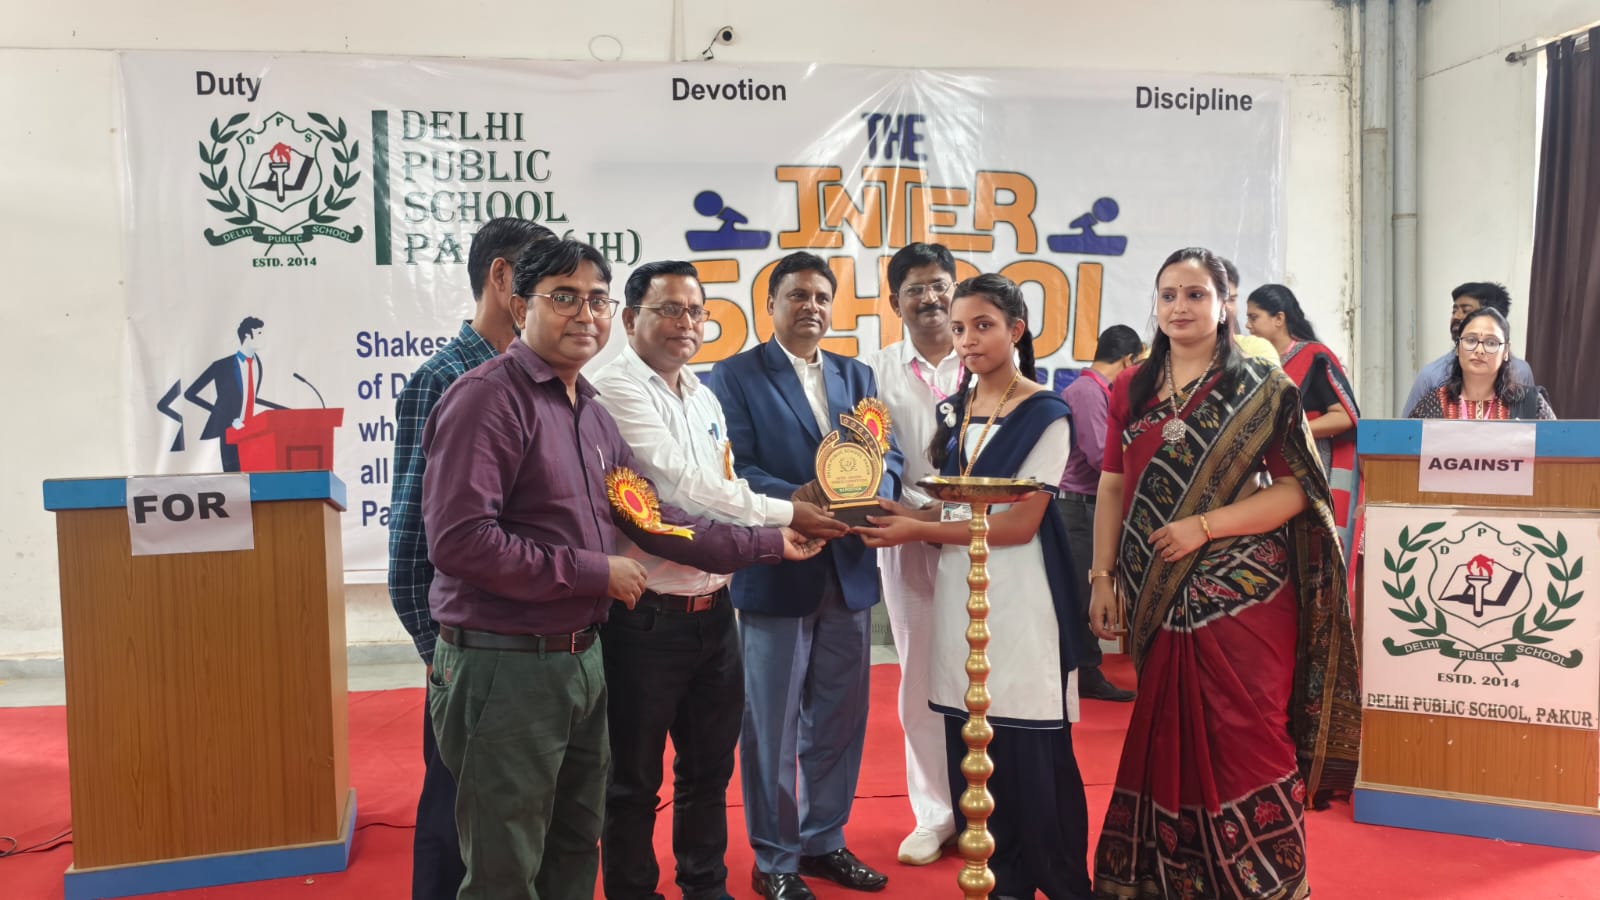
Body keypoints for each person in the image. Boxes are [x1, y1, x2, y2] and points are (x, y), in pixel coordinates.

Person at [421, 239, 821, 900]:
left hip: (581, 656)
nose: (585, 314)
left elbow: (655, 518)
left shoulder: (590, 412)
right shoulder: (487, 399)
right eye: (564, 297)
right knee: (505, 864)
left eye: (596, 300)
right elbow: (462, 543)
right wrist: (594, 572)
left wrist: (772, 543)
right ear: (520, 308)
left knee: (574, 844)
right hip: (504, 662)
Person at [1086, 248, 1361, 899]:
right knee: (1166, 734)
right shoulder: (1131, 387)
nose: (1180, 307)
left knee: (1251, 732)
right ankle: (1169, 880)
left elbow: (1297, 492)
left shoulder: (1265, 387)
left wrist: (1204, 526)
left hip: (1247, 593)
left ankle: (1263, 882)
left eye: (1196, 294)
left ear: (1224, 303)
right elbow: (1112, 485)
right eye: (1168, 295)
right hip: (1155, 587)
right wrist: (1101, 575)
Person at [589, 260, 850, 900]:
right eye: (669, 310)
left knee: (708, 772)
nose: (685, 323)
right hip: (645, 616)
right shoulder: (613, 389)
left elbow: (724, 487)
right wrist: (785, 516)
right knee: (633, 782)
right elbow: (682, 489)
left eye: (695, 311)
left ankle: (705, 886)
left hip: (714, 608)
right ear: (631, 319)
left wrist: (772, 525)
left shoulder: (702, 394)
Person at [859, 273, 1093, 900]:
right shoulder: (957, 409)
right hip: (959, 586)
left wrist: (918, 528)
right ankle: (1002, 874)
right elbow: (963, 505)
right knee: (971, 733)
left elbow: (1018, 525)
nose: (966, 340)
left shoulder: (1046, 412)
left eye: (983, 326)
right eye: (960, 328)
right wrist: (909, 516)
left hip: (1023, 591)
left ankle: (1059, 880)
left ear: (1017, 330)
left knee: (1029, 739)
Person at [710, 250, 905, 900]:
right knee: (770, 725)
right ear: (770, 305)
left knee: (840, 718)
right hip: (778, 567)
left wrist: (878, 489)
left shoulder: (856, 374)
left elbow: (888, 453)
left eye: (822, 296)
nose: (812, 307)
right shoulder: (735, 375)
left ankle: (825, 841)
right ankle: (775, 858)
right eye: (798, 295)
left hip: (849, 570)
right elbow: (734, 466)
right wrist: (799, 500)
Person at [387, 217, 553, 900]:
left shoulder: (545, 380)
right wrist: (440, 653)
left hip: (536, 652)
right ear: (502, 277)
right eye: (548, 284)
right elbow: (411, 545)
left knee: (517, 823)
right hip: (469, 652)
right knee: (453, 818)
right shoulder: (445, 378)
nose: (562, 303)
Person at [859, 242, 963, 865]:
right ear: (895, 301)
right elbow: (868, 456)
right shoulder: (872, 372)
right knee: (920, 676)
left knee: (985, 673)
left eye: (939, 285)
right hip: (905, 539)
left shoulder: (983, 356)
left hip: (982, 537)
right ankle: (935, 813)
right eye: (915, 289)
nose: (930, 298)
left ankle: (991, 802)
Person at [1057, 324, 1144, 703]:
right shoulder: (1088, 392)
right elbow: (1098, 456)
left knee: (1085, 589)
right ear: (1127, 360)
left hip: (1087, 506)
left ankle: (1084, 670)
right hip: (1079, 507)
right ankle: (1085, 673)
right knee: (1082, 591)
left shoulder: (1094, 390)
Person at [1245, 284, 1362, 558]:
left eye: (1254, 317)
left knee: (1317, 553)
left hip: (1317, 467)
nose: (1248, 325)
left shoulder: (1313, 356)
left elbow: (1344, 417)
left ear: (1279, 318)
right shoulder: (1256, 364)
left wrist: (1294, 429)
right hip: (1273, 473)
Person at [1402, 282, 1538, 418]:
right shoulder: (1431, 384)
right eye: (1454, 310)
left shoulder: (1525, 384)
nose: (1456, 316)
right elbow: (1407, 429)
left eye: (1465, 311)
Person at [1407, 307, 1556, 420]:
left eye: (1491, 343)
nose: (1479, 350)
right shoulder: (1432, 405)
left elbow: (1558, 449)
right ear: (1457, 347)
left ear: (1506, 351)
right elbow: (1406, 448)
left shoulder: (1531, 405)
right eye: (1471, 340)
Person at [183, 316, 285, 471]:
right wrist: (227, 418)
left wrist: (280, 409)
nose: (263, 338)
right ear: (247, 336)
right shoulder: (222, 366)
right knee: (233, 478)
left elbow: (249, 395)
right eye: (259, 333)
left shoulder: (258, 364)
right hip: (230, 432)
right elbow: (190, 393)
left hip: (254, 434)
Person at [1218, 256, 1279, 365]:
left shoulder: (1256, 349)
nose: (1226, 308)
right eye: (1217, 299)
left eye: (1231, 300)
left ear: (1279, 318)